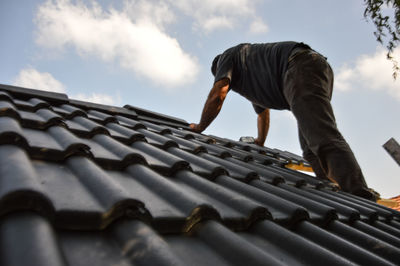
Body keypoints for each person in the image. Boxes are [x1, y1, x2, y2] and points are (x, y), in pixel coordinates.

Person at [189, 41, 378, 201]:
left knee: (322, 137)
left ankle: (360, 196)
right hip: (310, 67)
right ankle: (338, 193)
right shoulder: (251, 78)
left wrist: (199, 127)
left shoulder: (228, 57)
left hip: (300, 66)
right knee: (310, 151)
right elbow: (262, 113)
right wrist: (260, 141)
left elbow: (218, 94)